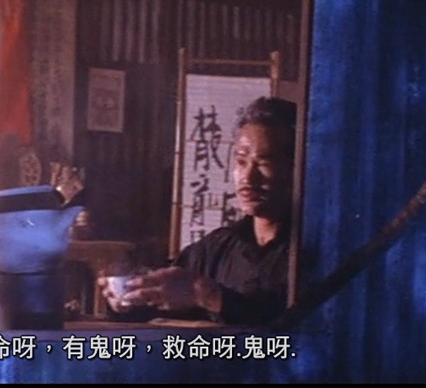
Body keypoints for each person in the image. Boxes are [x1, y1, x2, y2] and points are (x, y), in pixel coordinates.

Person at [98, 96, 296, 326]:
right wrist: (128, 300)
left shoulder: (309, 252)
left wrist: (205, 294)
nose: (248, 177)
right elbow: (162, 303)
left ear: (296, 168)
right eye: (241, 161)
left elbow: (292, 329)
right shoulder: (217, 247)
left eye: (264, 163)